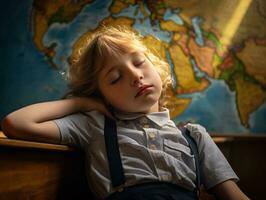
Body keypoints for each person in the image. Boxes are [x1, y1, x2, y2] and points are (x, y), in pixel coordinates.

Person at [1, 26, 249, 200]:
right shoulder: (94, 125)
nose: (135, 75)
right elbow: (16, 123)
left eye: (139, 62)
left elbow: (232, 195)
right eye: (115, 78)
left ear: (156, 67)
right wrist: (81, 103)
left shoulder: (195, 137)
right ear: (101, 96)